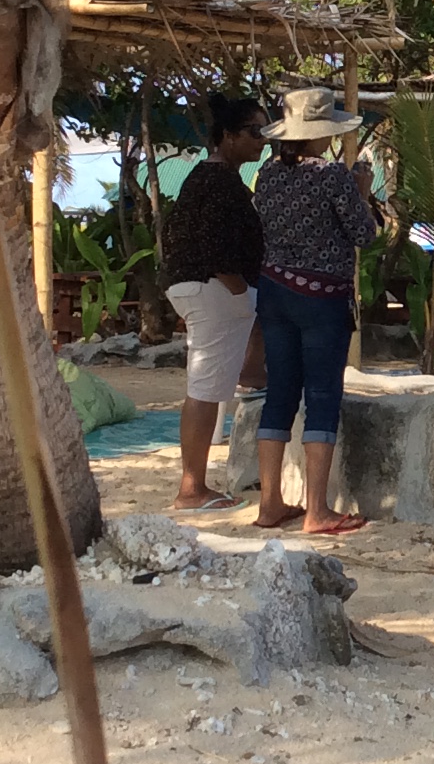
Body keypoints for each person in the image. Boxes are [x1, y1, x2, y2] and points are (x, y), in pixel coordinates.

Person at [251, 87, 382, 535]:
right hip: (322, 297)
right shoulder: (331, 176)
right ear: (320, 134)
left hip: (274, 292)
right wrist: (362, 194)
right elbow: (364, 234)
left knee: (279, 395)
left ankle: (269, 503)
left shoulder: (267, 174)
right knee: (322, 397)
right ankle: (317, 510)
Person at [161, 94, 271, 510]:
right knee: (205, 389)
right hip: (214, 289)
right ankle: (192, 488)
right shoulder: (221, 183)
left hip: (200, 287)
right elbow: (215, 246)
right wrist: (240, 292)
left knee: (209, 384)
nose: (262, 140)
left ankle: (253, 374)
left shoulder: (207, 178)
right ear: (228, 136)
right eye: (254, 131)